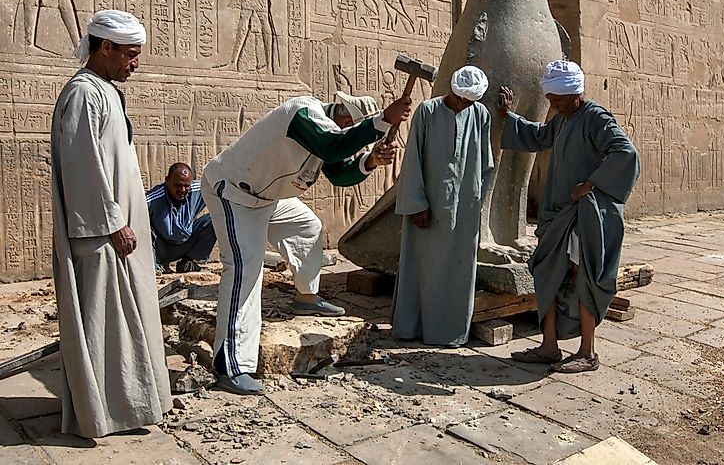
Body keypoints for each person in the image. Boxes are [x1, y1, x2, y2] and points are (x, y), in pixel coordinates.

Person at [202, 90, 411, 394]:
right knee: (245, 271)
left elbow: (340, 172)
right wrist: (383, 120)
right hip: (234, 194)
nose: (347, 131)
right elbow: (332, 145)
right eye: (348, 124)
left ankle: (306, 299)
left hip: (268, 198)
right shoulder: (304, 113)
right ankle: (230, 366)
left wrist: (370, 161)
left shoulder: (327, 134)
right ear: (338, 110)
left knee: (307, 227)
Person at [50, 10, 172, 437]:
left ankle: (130, 407)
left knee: (126, 322)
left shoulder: (105, 91)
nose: (135, 63)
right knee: (105, 327)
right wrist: (113, 224)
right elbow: (85, 167)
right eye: (131, 55)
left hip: (118, 230)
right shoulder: (84, 93)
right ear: (106, 48)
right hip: (102, 234)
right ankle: (104, 413)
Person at [499, 60, 640, 374]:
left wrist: (591, 184)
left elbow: (625, 153)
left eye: (557, 100)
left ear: (575, 94)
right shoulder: (563, 120)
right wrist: (508, 116)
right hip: (558, 214)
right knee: (547, 273)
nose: (553, 105)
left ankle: (587, 352)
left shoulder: (595, 119)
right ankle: (549, 346)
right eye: (550, 100)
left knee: (582, 278)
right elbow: (539, 136)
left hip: (582, 216)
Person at [392, 66, 494, 347]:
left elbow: (485, 163)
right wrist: (417, 204)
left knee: (459, 269)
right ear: (451, 91)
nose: (463, 105)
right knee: (422, 265)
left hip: (465, 207)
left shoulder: (480, 115)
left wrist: (477, 202)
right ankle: (412, 327)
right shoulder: (427, 111)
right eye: (460, 99)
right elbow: (412, 159)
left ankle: (450, 333)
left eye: (469, 102)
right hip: (428, 205)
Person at [146, 163, 216, 274]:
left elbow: (222, 188)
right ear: (167, 180)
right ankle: (156, 266)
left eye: (186, 186)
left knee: (215, 219)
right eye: (178, 185)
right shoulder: (153, 199)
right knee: (142, 226)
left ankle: (187, 262)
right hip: (160, 248)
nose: (182, 190)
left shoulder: (198, 189)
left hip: (185, 245)